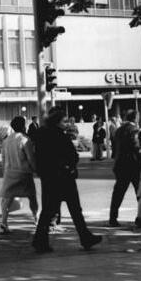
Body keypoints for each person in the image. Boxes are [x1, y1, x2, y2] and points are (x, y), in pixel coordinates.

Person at [32, 106, 101, 253]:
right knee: (75, 209)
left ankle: (40, 240)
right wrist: (69, 165)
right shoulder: (60, 136)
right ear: (57, 122)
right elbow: (72, 155)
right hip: (64, 178)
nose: (67, 124)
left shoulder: (41, 135)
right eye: (64, 121)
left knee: (48, 211)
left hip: (49, 178)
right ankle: (85, 237)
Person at [0, 116, 38, 234]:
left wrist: (4, 173)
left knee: (7, 199)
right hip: (24, 173)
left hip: (10, 172)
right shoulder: (25, 140)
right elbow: (31, 158)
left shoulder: (6, 141)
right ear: (23, 126)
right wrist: (35, 169)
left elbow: (3, 159)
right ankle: (36, 219)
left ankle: (3, 223)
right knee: (32, 197)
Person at [107, 109, 141, 227]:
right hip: (133, 165)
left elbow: (115, 147)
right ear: (136, 118)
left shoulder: (119, 130)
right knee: (140, 192)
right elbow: (136, 146)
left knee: (118, 193)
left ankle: (113, 217)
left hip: (120, 165)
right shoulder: (134, 130)